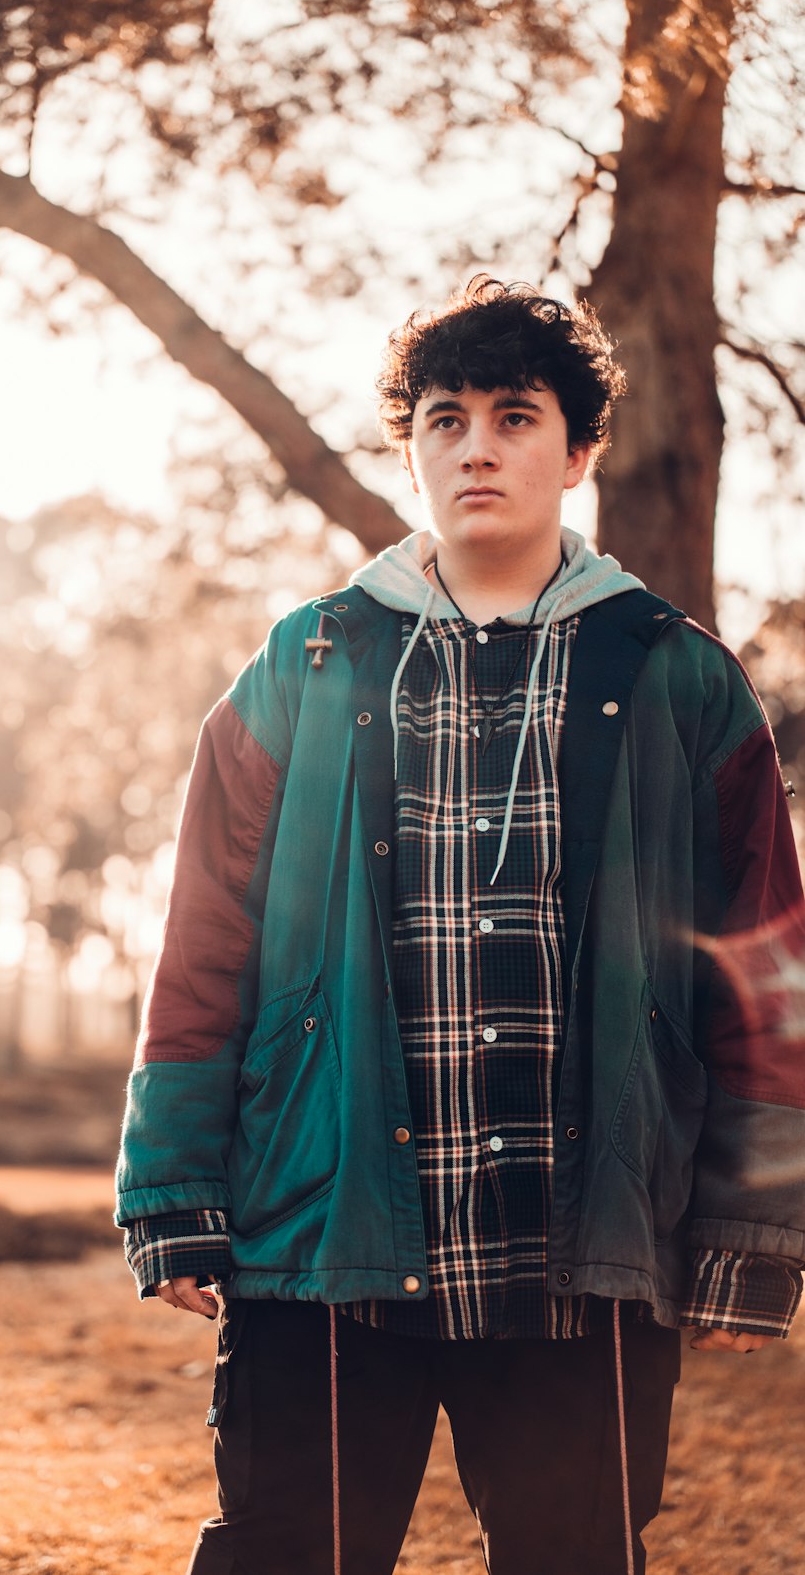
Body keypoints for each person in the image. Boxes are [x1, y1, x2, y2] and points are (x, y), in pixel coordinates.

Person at [114, 275, 805, 1575]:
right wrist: (174, 1186)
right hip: (320, 1239)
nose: (475, 447)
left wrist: (751, 1233)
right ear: (413, 447)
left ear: (578, 448)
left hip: (580, 1252)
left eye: (513, 416)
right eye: (444, 419)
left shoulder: (681, 678)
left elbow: (766, 981)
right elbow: (206, 940)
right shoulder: (305, 667)